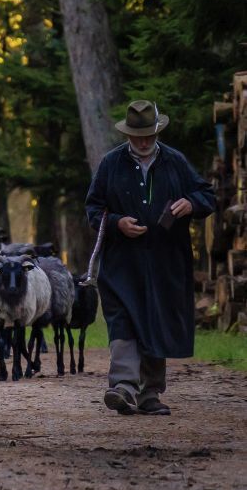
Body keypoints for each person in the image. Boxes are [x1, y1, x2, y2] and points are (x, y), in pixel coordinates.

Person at [84, 100, 215, 416]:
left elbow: (207, 196)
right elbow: (93, 209)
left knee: (155, 320)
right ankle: (123, 388)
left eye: (148, 135)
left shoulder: (175, 161)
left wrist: (191, 203)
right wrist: (117, 223)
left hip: (165, 261)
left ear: (157, 132)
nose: (143, 142)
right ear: (128, 133)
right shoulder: (111, 164)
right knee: (124, 319)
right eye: (137, 135)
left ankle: (150, 395)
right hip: (121, 263)